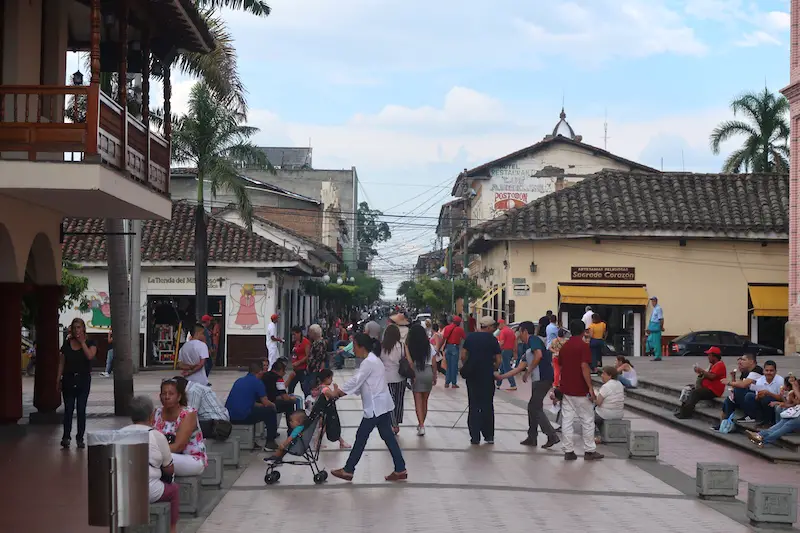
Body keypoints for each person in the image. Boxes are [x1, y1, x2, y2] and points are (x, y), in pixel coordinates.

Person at [329, 333, 408, 482]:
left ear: (361, 346)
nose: (353, 350)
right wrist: (342, 393)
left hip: (375, 407)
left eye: (355, 346)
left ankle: (348, 470)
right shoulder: (373, 360)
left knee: (361, 437)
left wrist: (338, 392)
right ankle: (400, 468)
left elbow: (356, 381)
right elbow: (362, 384)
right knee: (388, 437)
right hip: (381, 405)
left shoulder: (369, 362)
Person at [496, 321, 559, 449]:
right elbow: (519, 367)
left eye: (520, 332)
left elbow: (539, 355)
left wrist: (529, 371)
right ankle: (532, 436)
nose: (519, 336)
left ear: (525, 331)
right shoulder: (527, 347)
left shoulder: (533, 339)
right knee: (532, 407)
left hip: (544, 378)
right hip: (537, 380)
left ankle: (551, 435)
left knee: (535, 407)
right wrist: (501, 376)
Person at [122, 396, 180, 533]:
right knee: (174, 490)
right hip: (149, 491)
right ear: (152, 414)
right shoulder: (157, 435)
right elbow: (169, 469)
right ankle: (172, 529)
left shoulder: (119, 434)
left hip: (122, 491)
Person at [558, 319, 604, 460]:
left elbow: (561, 366)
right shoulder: (584, 346)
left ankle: (568, 450)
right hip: (580, 389)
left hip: (566, 388)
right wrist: (590, 387)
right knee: (587, 420)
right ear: (584, 331)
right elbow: (584, 367)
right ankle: (589, 450)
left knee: (567, 420)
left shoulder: (564, 347)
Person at [462, 316, 502, 445]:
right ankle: (488, 435)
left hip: (472, 376)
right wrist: (494, 368)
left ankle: (475, 436)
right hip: (486, 376)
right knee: (487, 405)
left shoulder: (470, 337)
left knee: (473, 404)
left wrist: (468, 365)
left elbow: (463, 355)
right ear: (489, 327)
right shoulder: (492, 339)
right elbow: (499, 359)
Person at [154, 379, 207, 476]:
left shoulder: (188, 414)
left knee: (155, 458)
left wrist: (153, 451)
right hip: (164, 455)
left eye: (171, 394)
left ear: (179, 397)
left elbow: (179, 446)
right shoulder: (156, 413)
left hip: (191, 459)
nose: (167, 397)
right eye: (164, 394)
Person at [58, 318, 97, 449]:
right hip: (68, 380)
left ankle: (80, 438)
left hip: (83, 380)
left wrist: (82, 343)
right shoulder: (67, 344)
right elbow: (61, 362)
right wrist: (57, 379)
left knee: (81, 409)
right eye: (74, 327)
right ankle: (66, 437)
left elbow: (90, 356)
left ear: (84, 328)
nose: (77, 330)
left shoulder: (91, 342)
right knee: (68, 409)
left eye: (79, 327)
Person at [225, 361, 279, 450]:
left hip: (230, 416)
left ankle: (252, 441)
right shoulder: (258, 382)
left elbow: (250, 402)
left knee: (257, 410)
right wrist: (273, 405)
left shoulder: (239, 380)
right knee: (271, 411)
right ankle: (270, 442)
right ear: (260, 372)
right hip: (243, 417)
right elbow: (266, 402)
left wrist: (261, 406)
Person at [747, 375, 800, 447]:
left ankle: (763, 440)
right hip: (796, 413)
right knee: (780, 424)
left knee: (787, 425)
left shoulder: (796, 389)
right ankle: (759, 435)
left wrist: (794, 386)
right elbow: (795, 403)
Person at [675, 347, 727, 419]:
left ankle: (686, 413)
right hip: (708, 387)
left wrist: (701, 371)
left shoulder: (720, 365)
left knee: (695, 393)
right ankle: (682, 410)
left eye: (709, 355)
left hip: (714, 390)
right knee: (689, 389)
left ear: (714, 356)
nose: (708, 357)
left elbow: (712, 376)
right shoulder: (713, 365)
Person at [407, 323, 438, 436]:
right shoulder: (429, 346)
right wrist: (434, 376)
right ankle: (422, 423)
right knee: (425, 401)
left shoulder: (410, 347)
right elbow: (434, 363)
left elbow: (409, 362)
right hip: (428, 372)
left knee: (418, 401)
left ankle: (421, 425)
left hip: (417, 372)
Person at [380, 324, 406, 434]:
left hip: (387, 378)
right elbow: (405, 359)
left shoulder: (382, 347)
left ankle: (393, 424)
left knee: (389, 402)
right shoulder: (401, 345)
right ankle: (397, 422)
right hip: (400, 377)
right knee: (399, 401)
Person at [262, 358, 303, 425]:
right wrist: (291, 399)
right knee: (290, 404)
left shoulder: (265, 375)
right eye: (284, 371)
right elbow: (285, 397)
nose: (284, 373)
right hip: (271, 403)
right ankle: (291, 429)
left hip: (263, 401)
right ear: (280, 370)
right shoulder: (278, 378)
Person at [744, 360, 784, 426]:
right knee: (749, 396)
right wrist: (759, 396)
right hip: (763, 401)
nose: (769, 373)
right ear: (763, 371)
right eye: (767, 370)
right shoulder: (760, 380)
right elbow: (757, 398)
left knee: (766, 399)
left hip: (776, 402)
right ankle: (758, 418)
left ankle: (768, 422)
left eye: (771, 371)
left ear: (775, 371)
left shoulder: (780, 380)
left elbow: (781, 398)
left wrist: (768, 393)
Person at [594, 366, 625, 442]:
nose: (601, 376)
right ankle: (603, 434)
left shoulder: (606, 386)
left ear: (610, 376)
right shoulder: (619, 384)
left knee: (588, 417)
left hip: (607, 414)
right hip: (619, 413)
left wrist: (593, 397)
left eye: (604, 374)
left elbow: (598, 403)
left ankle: (597, 436)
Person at [441, 315, 466, 389]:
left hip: (448, 347)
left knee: (448, 366)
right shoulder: (460, 329)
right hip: (455, 347)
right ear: (458, 322)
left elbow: (443, 339)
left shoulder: (447, 328)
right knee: (454, 366)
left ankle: (447, 382)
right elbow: (465, 338)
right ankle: (454, 383)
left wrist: (440, 347)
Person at [495, 319, 518, 391]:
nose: (497, 327)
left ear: (502, 324)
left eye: (498, 325)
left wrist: (495, 348)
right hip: (509, 351)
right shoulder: (511, 331)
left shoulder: (503, 332)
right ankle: (498, 384)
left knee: (507, 368)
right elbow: (515, 342)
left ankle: (513, 384)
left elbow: (501, 342)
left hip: (504, 351)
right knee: (502, 368)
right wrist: (515, 353)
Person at [288, 326, 311, 395]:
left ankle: (308, 403)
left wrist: (299, 362)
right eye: (292, 334)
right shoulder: (295, 342)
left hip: (302, 369)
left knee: (304, 388)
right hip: (295, 369)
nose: (294, 336)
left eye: (294, 334)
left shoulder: (305, 342)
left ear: (299, 333)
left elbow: (307, 356)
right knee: (291, 386)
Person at [306, 324, 328, 394]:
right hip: (313, 369)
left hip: (316, 369)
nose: (309, 334)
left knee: (313, 388)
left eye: (310, 332)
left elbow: (320, 357)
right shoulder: (316, 342)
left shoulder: (319, 343)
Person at [646, 296, 664, 361]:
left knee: (656, 343)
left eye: (653, 301)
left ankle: (657, 356)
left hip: (656, 328)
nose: (652, 303)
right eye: (652, 301)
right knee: (649, 340)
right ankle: (651, 351)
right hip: (652, 328)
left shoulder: (658, 309)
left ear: (656, 301)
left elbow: (661, 319)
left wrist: (661, 327)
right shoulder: (654, 309)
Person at [200, 315, 216, 379]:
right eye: (209, 320)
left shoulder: (202, 329)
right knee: (208, 364)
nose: (210, 322)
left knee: (207, 364)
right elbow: (206, 340)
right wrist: (209, 349)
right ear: (207, 321)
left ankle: (204, 379)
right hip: (205, 350)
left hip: (204, 350)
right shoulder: (204, 330)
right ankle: (204, 379)